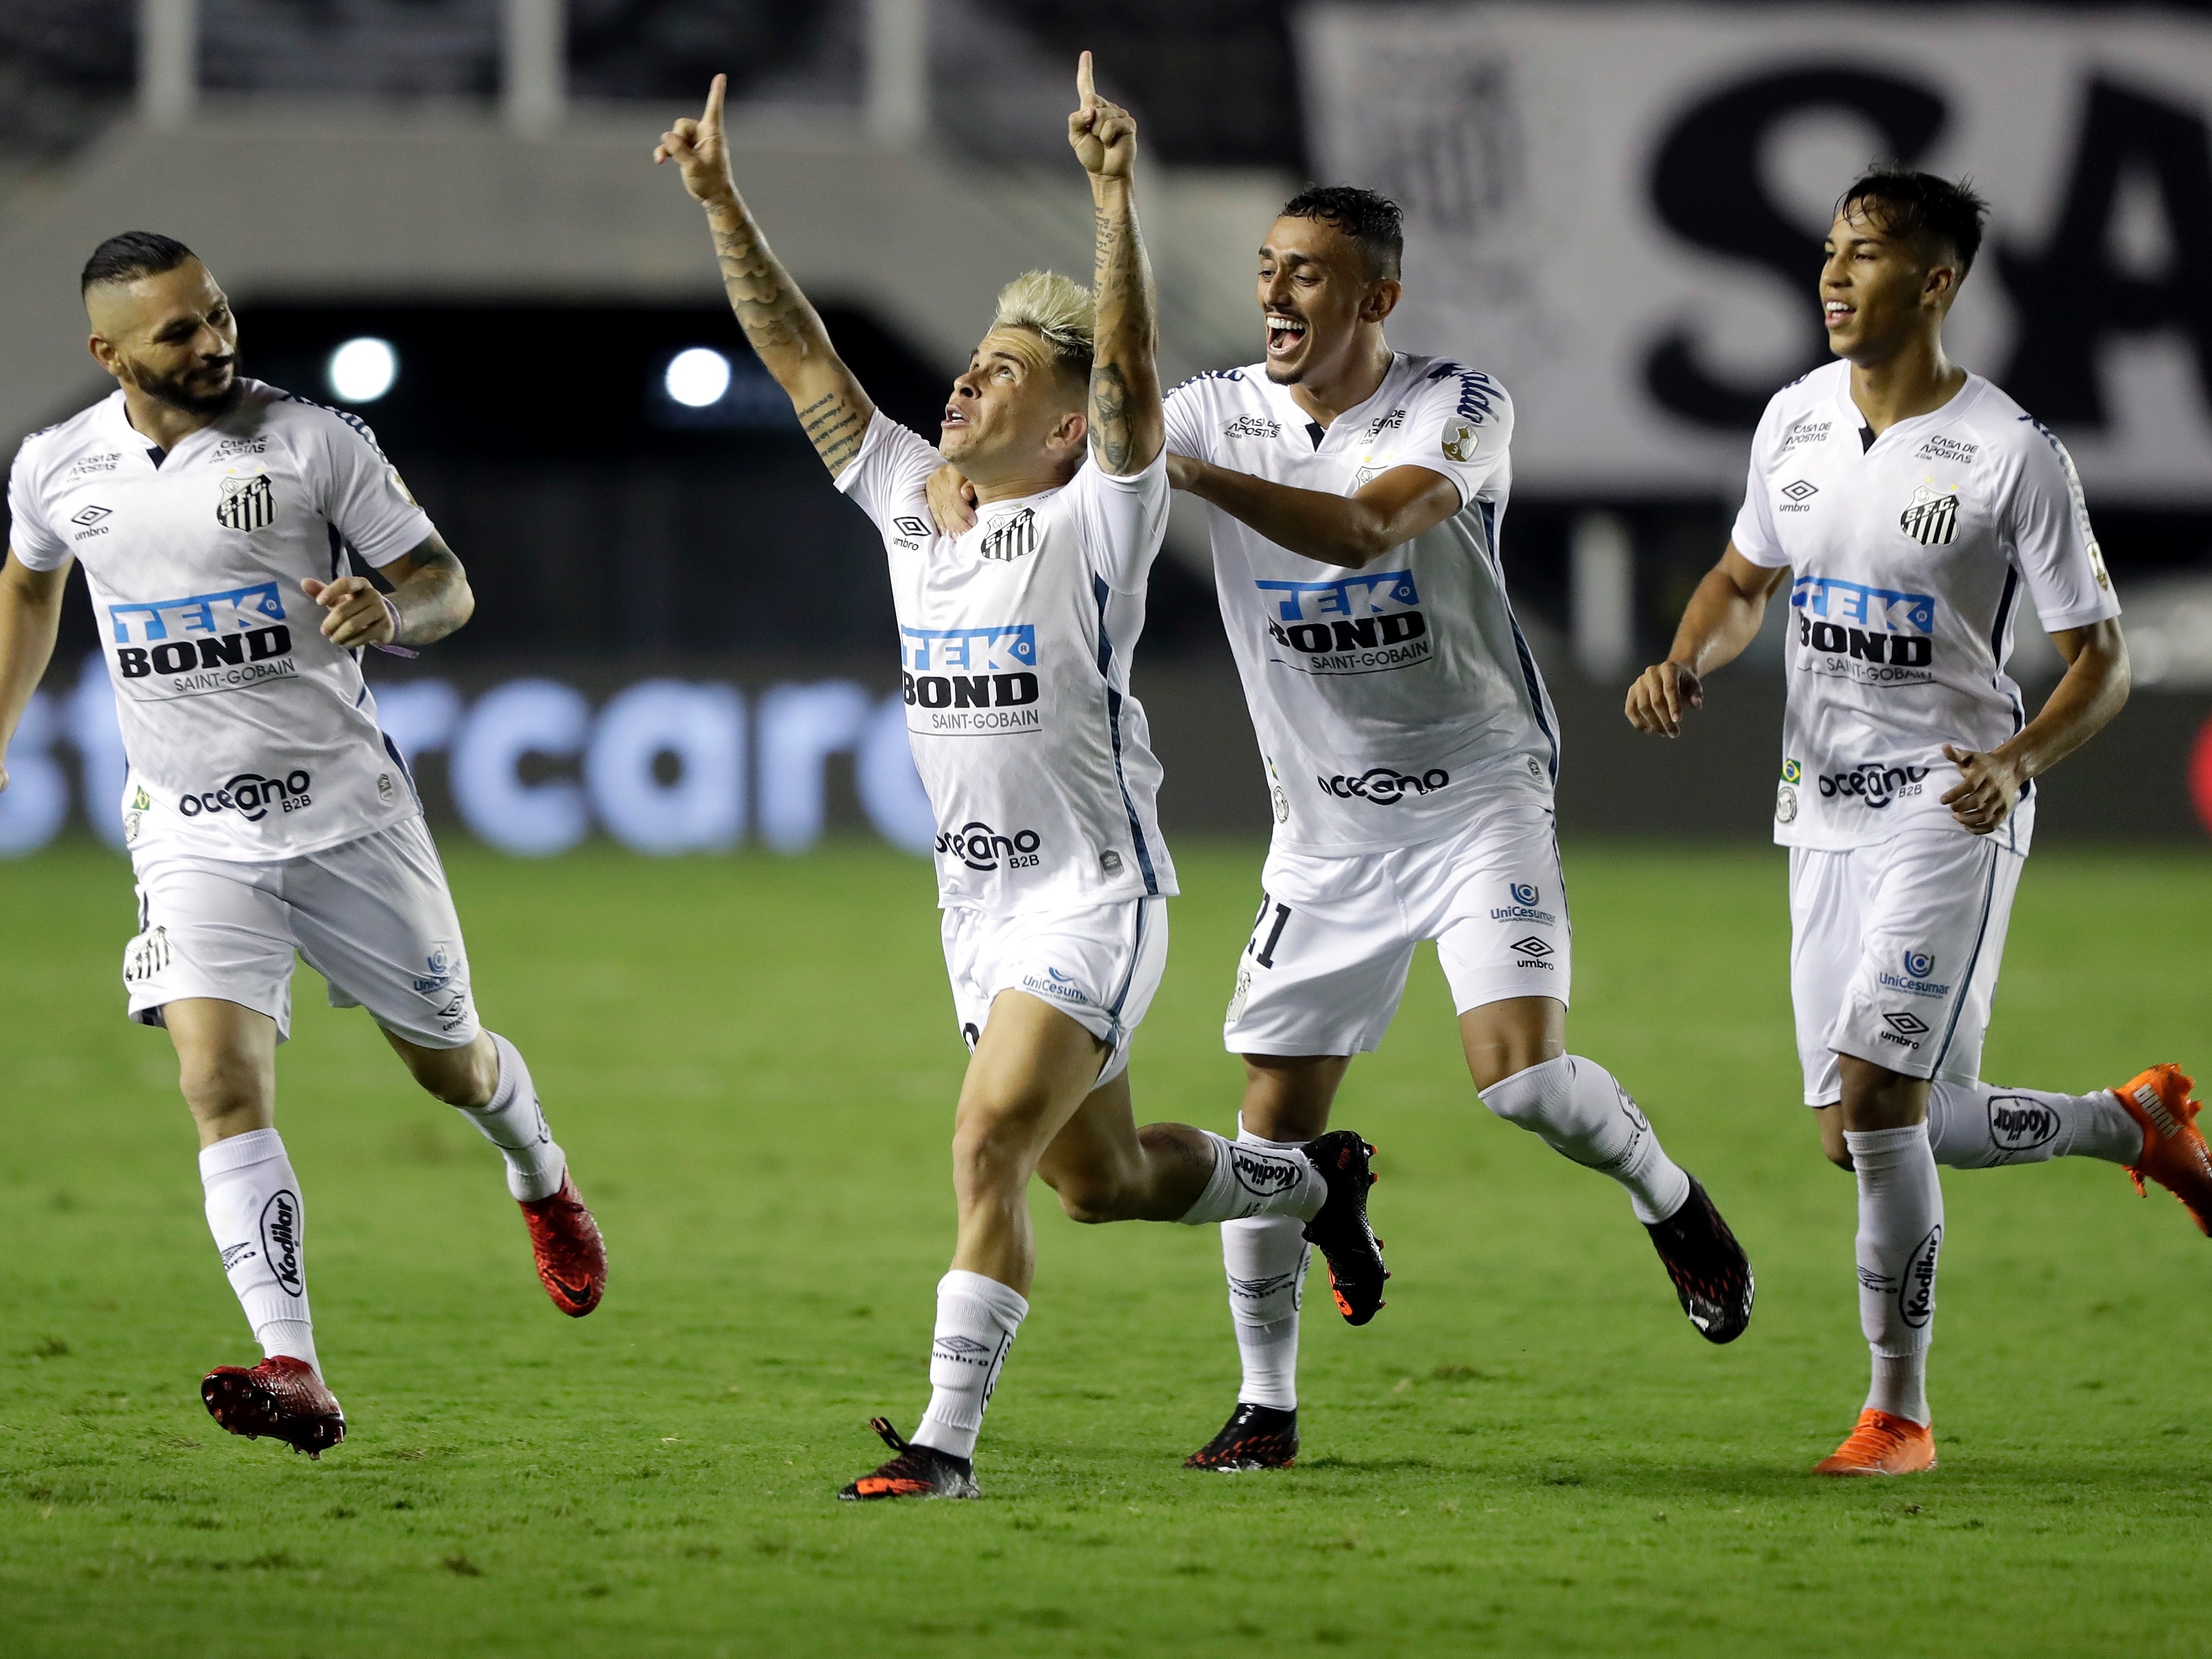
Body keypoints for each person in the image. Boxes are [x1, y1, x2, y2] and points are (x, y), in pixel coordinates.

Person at [932, 186, 1755, 1473]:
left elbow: (1371, 529)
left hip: (1479, 788)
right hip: (1323, 828)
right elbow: (1086, 422)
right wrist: (955, 482)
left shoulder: (1454, 406)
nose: (1275, 293)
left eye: (1309, 275)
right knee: (1270, 1127)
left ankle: (1674, 1205)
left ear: (1375, 299)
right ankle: (1267, 1406)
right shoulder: (1214, 404)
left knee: (1524, 1081)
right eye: (1266, 269)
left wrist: (1184, 473)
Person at [655, 59, 1388, 1500]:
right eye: (970, 359)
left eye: (1005, 368)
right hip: (975, 916)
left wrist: (1115, 196)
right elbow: (805, 358)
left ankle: (943, 1448)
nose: (966, 376)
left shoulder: (1095, 515)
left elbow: (1124, 383)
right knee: (1098, 1185)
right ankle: (1311, 1182)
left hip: (1090, 899)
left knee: (986, 1139)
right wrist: (722, 202)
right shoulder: (909, 505)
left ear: (1064, 426)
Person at [1625, 167, 2210, 1477]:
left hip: (1951, 802)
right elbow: (1738, 578)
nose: (1833, 276)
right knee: (1862, 1132)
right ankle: (2132, 1125)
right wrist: (1690, 656)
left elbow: (2100, 658)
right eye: (1830, 251)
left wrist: (2016, 758)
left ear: (1936, 283)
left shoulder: (2010, 454)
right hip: (1816, 808)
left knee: (1885, 1103)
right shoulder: (1791, 419)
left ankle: (1898, 1414)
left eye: (1868, 256)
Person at [0, 233, 608, 1458]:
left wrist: (391, 610)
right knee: (218, 1082)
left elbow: (446, 586)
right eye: (177, 329)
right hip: (190, 832)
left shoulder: (314, 442)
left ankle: (539, 1173)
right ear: (107, 353)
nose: (213, 340)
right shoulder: (58, 468)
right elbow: (28, 585)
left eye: (217, 313)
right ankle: (298, 1370)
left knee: (452, 1069)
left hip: (347, 820)